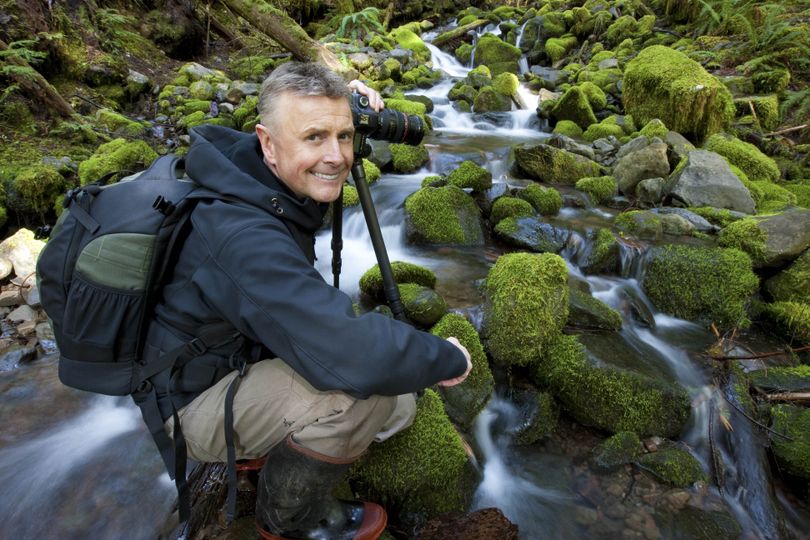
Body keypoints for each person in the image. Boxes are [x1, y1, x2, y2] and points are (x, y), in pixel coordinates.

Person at [140, 61, 472, 540]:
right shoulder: (239, 232)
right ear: (267, 142)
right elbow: (350, 354)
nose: (337, 156)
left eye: (344, 135)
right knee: (360, 397)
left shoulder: (251, 173)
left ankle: (275, 442)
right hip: (187, 400)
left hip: (228, 351)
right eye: (314, 137)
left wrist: (338, 103)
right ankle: (287, 521)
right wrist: (447, 356)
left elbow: (301, 123)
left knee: (399, 403)